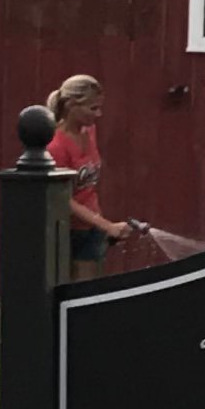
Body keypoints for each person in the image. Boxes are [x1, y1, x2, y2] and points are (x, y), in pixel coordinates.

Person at [45, 75, 145, 268]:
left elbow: (87, 188)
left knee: (91, 289)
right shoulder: (56, 145)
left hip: (92, 225)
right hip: (68, 232)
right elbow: (62, 198)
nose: (98, 114)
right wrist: (106, 226)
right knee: (75, 292)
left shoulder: (89, 131)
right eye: (93, 108)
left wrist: (101, 225)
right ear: (70, 105)